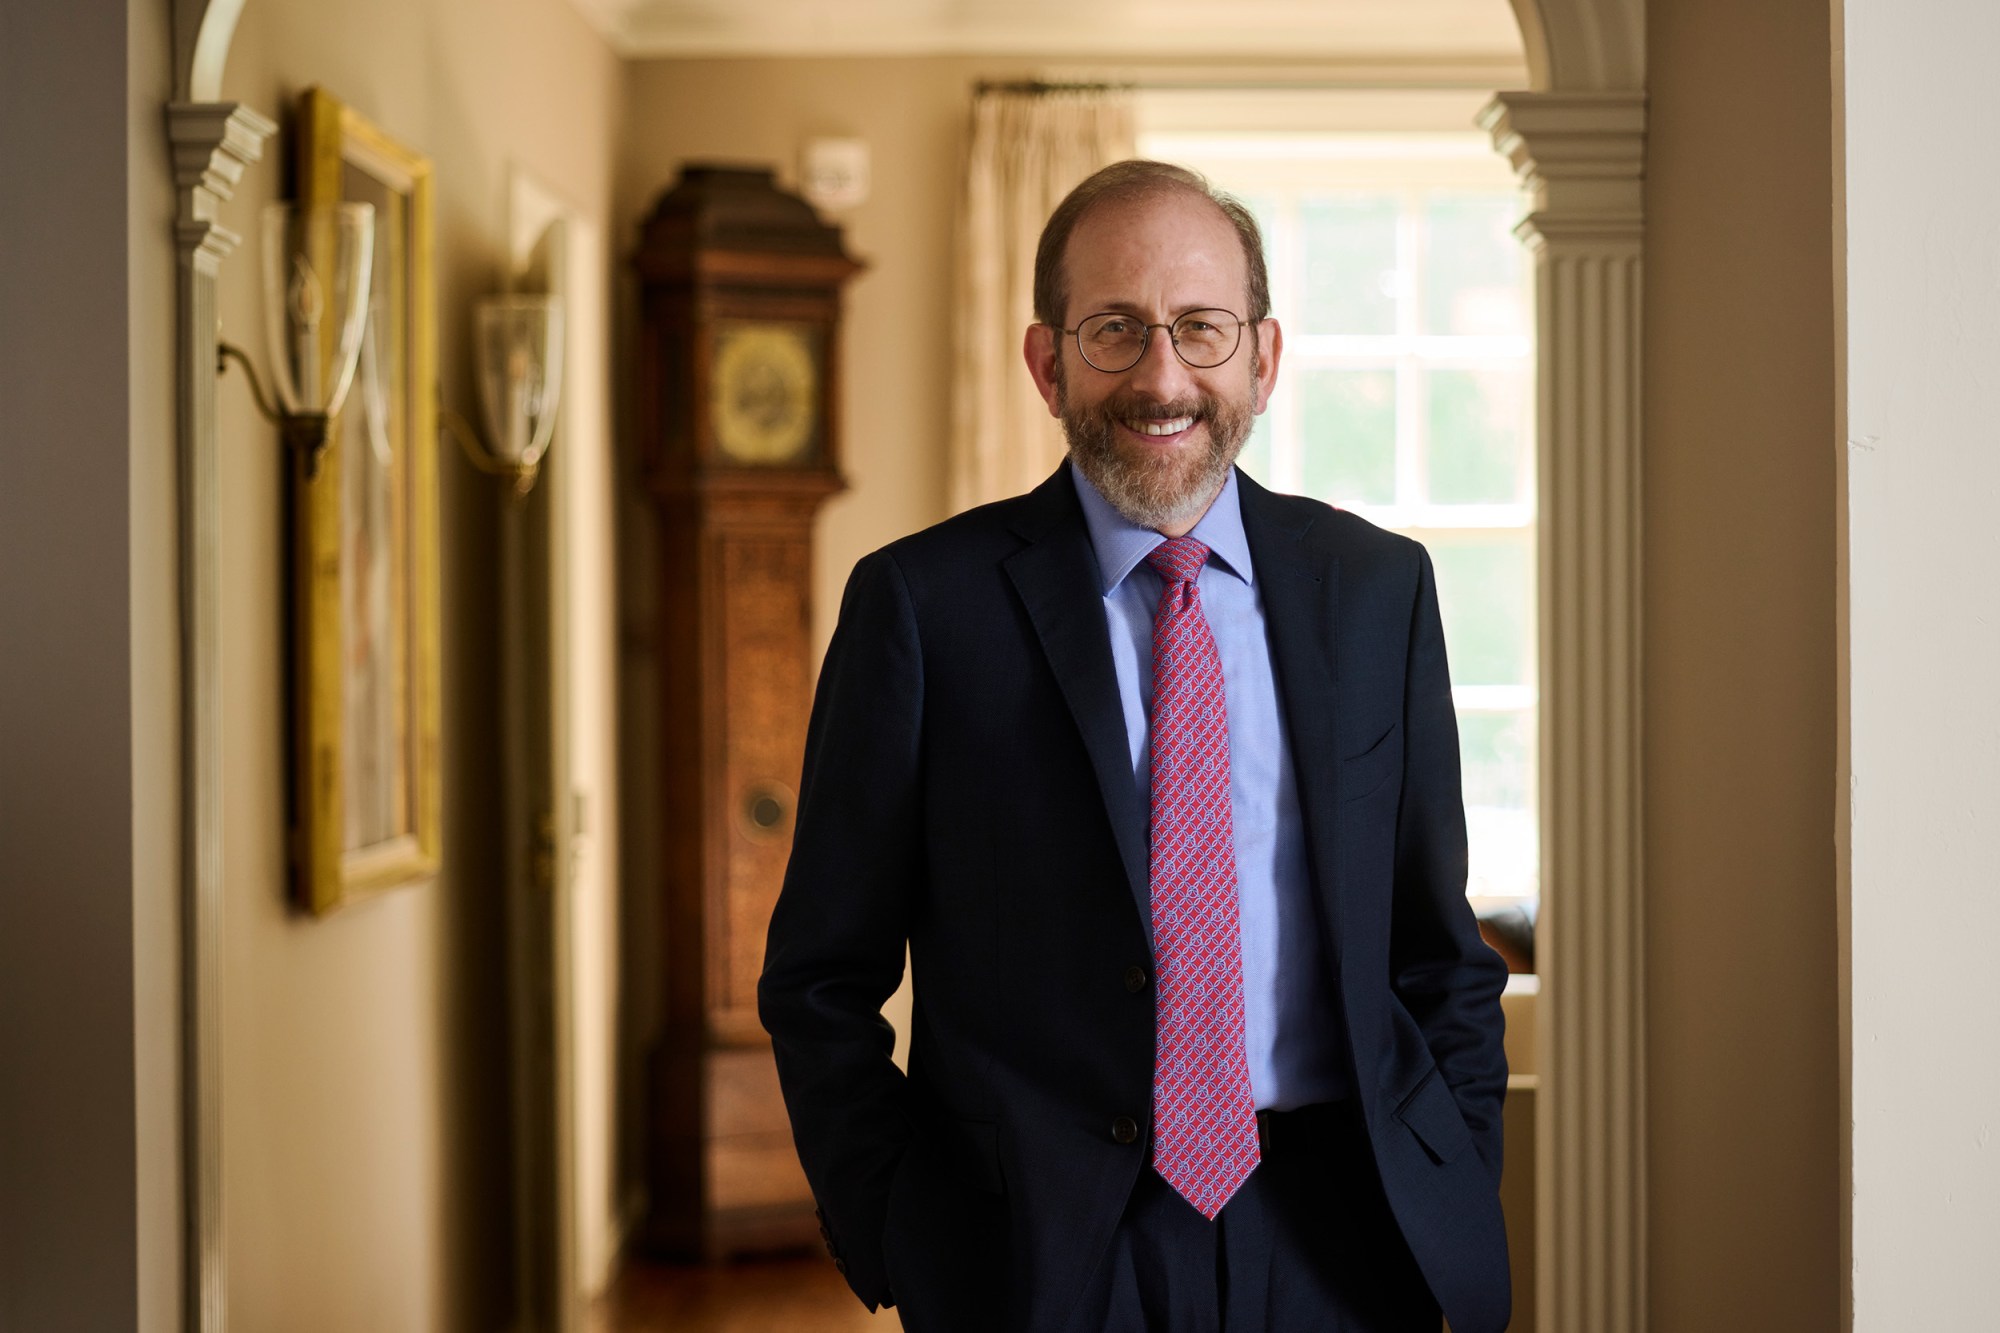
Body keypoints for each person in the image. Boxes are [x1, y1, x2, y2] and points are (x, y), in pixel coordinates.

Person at [758, 159, 1510, 1333]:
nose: (1161, 377)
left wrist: (1454, 1170)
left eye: (1200, 329)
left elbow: (1436, 950)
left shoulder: (1376, 593)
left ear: (1261, 358)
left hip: (1346, 1232)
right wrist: (902, 1221)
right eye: (1113, 330)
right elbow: (820, 976)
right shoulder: (920, 607)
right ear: (1045, 361)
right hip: (1038, 1251)